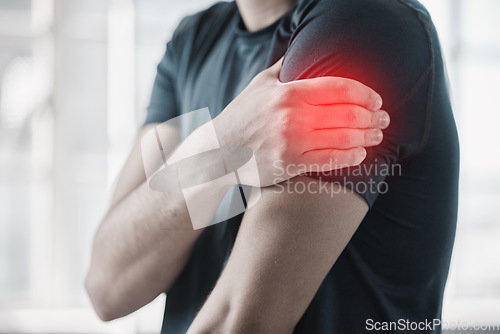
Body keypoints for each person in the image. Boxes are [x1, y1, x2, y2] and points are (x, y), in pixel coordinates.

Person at [85, 0, 459, 333]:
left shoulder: (360, 22)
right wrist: (225, 149)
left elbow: (240, 322)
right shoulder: (191, 42)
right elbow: (108, 285)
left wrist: (208, 160)